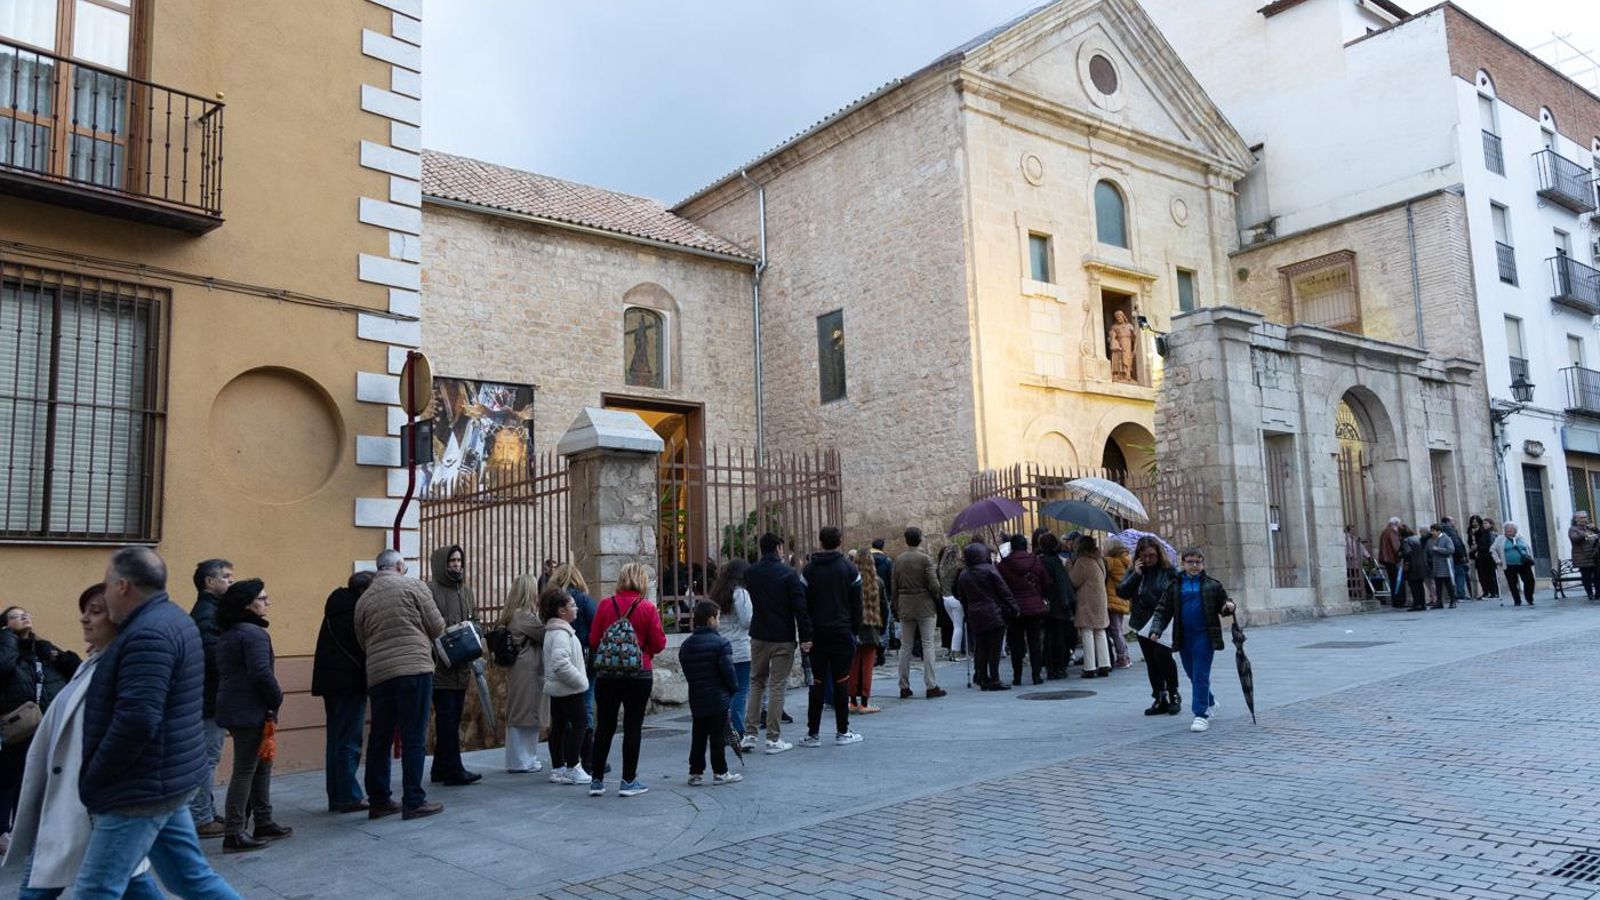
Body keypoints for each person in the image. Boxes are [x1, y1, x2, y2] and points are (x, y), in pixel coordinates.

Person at [74, 546, 242, 899]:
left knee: (95, 889)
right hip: (165, 778)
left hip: (138, 787)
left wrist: (95, 777)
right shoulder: (172, 618)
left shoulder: (147, 634)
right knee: (190, 879)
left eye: (106, 585)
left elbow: (137, 720)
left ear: (122, 586)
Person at [3, 584, 162, 900]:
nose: (84, 619)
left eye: (96, 611)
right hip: (71, 799)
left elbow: (137, 730)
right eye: (84, 611)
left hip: (92, 803)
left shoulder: (123, 667)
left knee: (41, 888)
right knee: (138, 882)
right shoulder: (96, 664)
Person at [355, 549, 446, 822]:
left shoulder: (364, 599)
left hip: (379, 674)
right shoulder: (413, 586)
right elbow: (437, 625)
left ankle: (379, 800)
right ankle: (413, 800)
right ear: (399, 566)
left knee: (380, 738)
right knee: (414, 736)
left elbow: (362, 640)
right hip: (413, 668)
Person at [214, 579, 290, 853]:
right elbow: (260, 673)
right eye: (262, 598)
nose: (267, 602)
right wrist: (276, 698)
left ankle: (264, 820)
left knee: (261, 765)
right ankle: (234, 832)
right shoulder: (253, 634)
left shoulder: (230, 632)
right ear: (247, 603)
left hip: (236, 706)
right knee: (246, 769)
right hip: (250, 709)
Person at [587, 562, 668, 798]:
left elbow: (593, 640)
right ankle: (628, 780)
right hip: (639, 673)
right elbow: (660, 643)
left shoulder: (605, 605)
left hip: (608, 675)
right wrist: (645, 651)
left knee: (605, 725)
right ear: (642, 581)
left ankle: (597, 780)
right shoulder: (647, 608)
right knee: (633, 726)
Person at [0, 606, 74, 851]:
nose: (24, 616)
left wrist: (58, 657)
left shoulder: (41, 647)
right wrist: (8, 637)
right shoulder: (6, 647)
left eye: (26, 613)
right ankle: (3, 832)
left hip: (46, 721)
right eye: (15, 615)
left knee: (38, 777)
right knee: (10, 778)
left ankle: (33, 829)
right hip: (16, 724)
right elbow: (4, 668)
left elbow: (74, 670)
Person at [1148, 548, 1237, 733]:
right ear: (1183, 563)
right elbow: (1163, 610)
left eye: (1198, 562)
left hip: (1204, 636)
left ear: (1203, 563)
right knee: (1191, 674)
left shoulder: (1213, 585)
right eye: (1190, 562)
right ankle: (1210, 701)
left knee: (1200, 674)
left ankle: (1200, 714)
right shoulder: (1175, 585)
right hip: (1183, 637)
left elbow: (1224, 605)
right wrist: (1156, 629)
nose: (1194, 566)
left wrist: (1229, 605)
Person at [742, 532, 812, 754]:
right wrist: (806, 636)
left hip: (759, 634)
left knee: (756, 683)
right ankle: (773, 737)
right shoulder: (788, 574)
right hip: (783, 636)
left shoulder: (751, 573)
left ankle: (750, 734)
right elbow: (799, 608)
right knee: (777, 685)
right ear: (779, 548)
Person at [311, 570, 373, 814]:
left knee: (336, 739)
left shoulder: (336, 607)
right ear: (363, 592)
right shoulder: (354, 613)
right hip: (349, 683)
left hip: (331, 682)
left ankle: (337, 795)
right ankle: (348, 795)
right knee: (349, 740)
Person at [801, 527, 865, 748]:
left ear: (820, 541)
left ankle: (813, 733)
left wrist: (806, 633)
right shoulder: (849, 568)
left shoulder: (808, 570)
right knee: (841, 682)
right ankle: (842, 731)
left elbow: (803, 606)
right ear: (839, 541)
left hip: (817, 634)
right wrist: (855, 631)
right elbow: (858, 605)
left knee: (816, 683)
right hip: (842, 632)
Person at [427, 544, 480, 786]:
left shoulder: (466, 592)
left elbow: (475, 620)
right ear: (442, 564)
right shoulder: (431, 591)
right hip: (441, 669)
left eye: (459, 560)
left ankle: (440, 768)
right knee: (447, 719)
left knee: (453, 718)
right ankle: (454, 769)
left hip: (462, 667)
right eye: (451, 561)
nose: (456, 565)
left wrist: (474, 631)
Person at [187, 558, 233, 838]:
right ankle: (201, 817)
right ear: (209, 582)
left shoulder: (213, 610)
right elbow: (215, 656)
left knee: (208, 756)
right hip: (208, 697)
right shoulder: (208, 614)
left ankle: (205, 810)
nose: (230, 581)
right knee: (207, 758)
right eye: (226, 576)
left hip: (210, 695)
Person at [678, 601, 744, 787]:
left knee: (698, 735)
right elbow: (728, 671)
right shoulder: (721, 643)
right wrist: (733, 688)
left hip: (697, 697)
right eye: (717, 617)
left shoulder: (687, 645)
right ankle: (720, 771)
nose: (719, 621)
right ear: (710, 620)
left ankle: (695, 772)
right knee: (717, 736)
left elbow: (688, 669)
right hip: (718, 697)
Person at [1118, 536, 1181, 716]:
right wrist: (1136, 575)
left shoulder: (1168, 570)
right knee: (1151, 661)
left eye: (1151, 556)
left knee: (1163, 656)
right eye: (1143, 556)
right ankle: (1159, 697)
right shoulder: (1136, 571)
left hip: (1163, 621)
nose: (1147, 560)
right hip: (1141, 621)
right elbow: (1122, 592)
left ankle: (1173, 693)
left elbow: (1180, 589)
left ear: (1158, 554)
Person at [540, 588, 590, 786]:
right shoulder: (561, 633)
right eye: (572, 605)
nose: (576, 608)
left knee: (559, 727)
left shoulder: (555, 631)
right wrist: (580, 681)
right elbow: (560, 664)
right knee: (580, 724)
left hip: (558, 689)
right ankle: (572, 767)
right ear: (561, 611)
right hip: (569, 688)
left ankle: (558, 767)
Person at [550, 564, 598, 770]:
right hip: (583, 661)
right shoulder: (583, 600)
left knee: (561, 717)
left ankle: (562, 760)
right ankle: (585, 757)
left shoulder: (550, 602)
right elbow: (597, 628)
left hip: (558, 664)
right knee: (584, 709)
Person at [499, 574, 547, 775]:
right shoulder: (524, 617)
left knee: (521, 711)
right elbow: (545, 634)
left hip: (520, 668)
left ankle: (522, 759)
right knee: (526, 712)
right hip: (527, 669)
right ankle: (522, 760)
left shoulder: (513, 615)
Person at [892, 527, 946, 699]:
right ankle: (931, 685)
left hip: (905, 604)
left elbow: (893, 586)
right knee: (928, 644)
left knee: (905, 646)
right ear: (920, 539)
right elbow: (935, 585)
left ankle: (904, 685)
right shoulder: (924, 559)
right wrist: (935, 598)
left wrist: (896, 605)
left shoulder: (898, 560)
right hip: (924, 605)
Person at [955, 542, 1017, 691]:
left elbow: (960, 595)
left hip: (975, 614)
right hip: (993, 613)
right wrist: (1014, 607)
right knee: (994, 648)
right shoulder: (990, 570)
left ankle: (982, 677)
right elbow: (1004, 590)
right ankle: (994, 678)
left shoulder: (964, 574)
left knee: (981, 647)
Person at [997, 533, 1049, 686]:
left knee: (1015, 643)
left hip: (1014, 609)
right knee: (1034, 642)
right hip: (1034, 607)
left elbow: (999, 586)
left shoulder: (1004, 564)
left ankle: (1017, 676)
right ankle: (1036, 675)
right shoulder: (1035, 561)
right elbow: (1045, 580)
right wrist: (1040, 594)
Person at [709, 561, 754, 736]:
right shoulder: (740, 593)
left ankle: (722, 726)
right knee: (740, 689)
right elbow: (747, 620)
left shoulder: (717, 593)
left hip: (721, 645)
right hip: (740, 647)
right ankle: (737, 728)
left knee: (724, 690)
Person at [848, 547, 887, 714]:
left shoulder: (851, 580)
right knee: (867, 666)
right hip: (871, 627)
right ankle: (864, 702)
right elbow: (884, 607)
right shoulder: (877, 582)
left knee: (853, 665)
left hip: (854, 627)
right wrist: (882, 627)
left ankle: (852, 701)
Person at [1070, 536, 1111, 678]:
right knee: (1100, 631)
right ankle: (1104, 664)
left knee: (1087, 631)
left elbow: (1074, 581)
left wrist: (1070, 566)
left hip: (1086, 600)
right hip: (1100, 598)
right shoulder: (1099, 559)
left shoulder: (1082, 561)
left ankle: (1089, 667)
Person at [1036, 532, 1075, 680]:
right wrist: (1068, 603)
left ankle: (1050, 667)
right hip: (1059, 603)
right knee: (1060, 637)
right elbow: (1062, 583)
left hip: (1045, 602)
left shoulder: (1039, 561)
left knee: (1048, 636)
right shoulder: (1056, 562)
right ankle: (1059, 667)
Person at [1103, 538, 1133, 669]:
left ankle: (1122, 657)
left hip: (1112, 599)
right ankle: (1125, 655)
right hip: (1123, 598)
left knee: (1115, 630)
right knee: (1118, 629)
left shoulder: (1110, 561)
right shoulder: (1127, 560)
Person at [1492, 522, 1537, 607]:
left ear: (1515, 530)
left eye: (1511, 529)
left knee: (1530, 580)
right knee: (1513, 583)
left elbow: (1527, 548)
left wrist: (1530, 557)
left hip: (1523, 563)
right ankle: (1517, 600)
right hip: (1509, 565)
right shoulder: (1500, 539)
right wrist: (1497, 560)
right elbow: (1492, 549)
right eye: (1507, 529)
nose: (1508, 530)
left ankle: (1529, 597)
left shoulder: (1520, 537)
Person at [936, 543, 966, 662]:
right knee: (958, 627)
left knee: (955, 627)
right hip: (955, 600)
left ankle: (953, 652)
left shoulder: (941, 568)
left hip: (945, 599)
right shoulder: (958, 568)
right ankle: (956, 653)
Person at [869, 538, 895, 656]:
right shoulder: (888, 561)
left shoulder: (868, 560)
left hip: (869, 592)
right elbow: (891, 580)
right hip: (884, 593)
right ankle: (883, 646)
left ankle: (872, 644)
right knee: (885, 618)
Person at [1569, 511, 1599, 602]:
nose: (1584, 519)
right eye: (1581, 517)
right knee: (1586, 577)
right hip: (1582, 557)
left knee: (1598, 576)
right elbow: (1574, 538)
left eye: (1585, 517)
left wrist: (1595, 529)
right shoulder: (1573, 529)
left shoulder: (1589, 527)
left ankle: (1598, 593)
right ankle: (1589, 594)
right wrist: (1584, 534)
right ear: (1576, 519)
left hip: (1594, 556)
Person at [1427, 523, 1456, 609]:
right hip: (1436, 564)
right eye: (1431, 531)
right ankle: (1439, 602)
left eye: (1433, 531)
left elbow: (1451, 550)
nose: (1432, 532)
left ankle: (1452, 601)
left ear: (1439, 531)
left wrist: (1438, 549)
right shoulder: (1431, 539)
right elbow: (1429, 550)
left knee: (1449, 584)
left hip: (1445, 564)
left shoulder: (1446, 539)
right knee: (1438, 585)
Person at [1400, 525, 1428, 611]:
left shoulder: (1405, 541)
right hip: (1421, 564)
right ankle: (1423, 603)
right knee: (1420, 585)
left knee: (1413, 585)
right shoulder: (1416, 538)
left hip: (1412, 565)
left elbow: (1407, 552)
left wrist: (1401, 554)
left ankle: (1417, 604)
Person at [1441, 516, 1468, 602]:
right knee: (1460, 574)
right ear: (1448, 522)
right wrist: (1461, 555)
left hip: (1450, 557)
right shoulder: (1450, 530)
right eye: (1452, 521)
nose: (1454, 522)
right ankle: (1460, 594)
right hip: (1456, 557)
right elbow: (1457, 544)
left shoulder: (1443, 530)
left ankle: (1456, 594)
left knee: (1455, 575)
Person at [1378, 517, 1403, 605]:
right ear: (1396, 524)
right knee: (1397, 580)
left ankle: (1395, 600)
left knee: (1392, 580)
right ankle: (1398, 600)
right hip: (1392, 559)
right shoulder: (1392, 532)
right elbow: (1396, 546)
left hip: (1386, 559)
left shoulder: (1385, 531)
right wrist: (1400, 554)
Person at [1474, 517, 1500, 600]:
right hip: (1483, 557)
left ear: (1491, 524)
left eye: (1486, 523)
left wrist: (1480, 549)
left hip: (1488, 556)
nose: (1484, 525)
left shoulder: (1491, 533)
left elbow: (1491, 545)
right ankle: (1488, 591)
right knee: (1484, 575)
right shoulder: (1483, 533)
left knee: (1491, 575)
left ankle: (1494, 592)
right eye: (1483, 523)